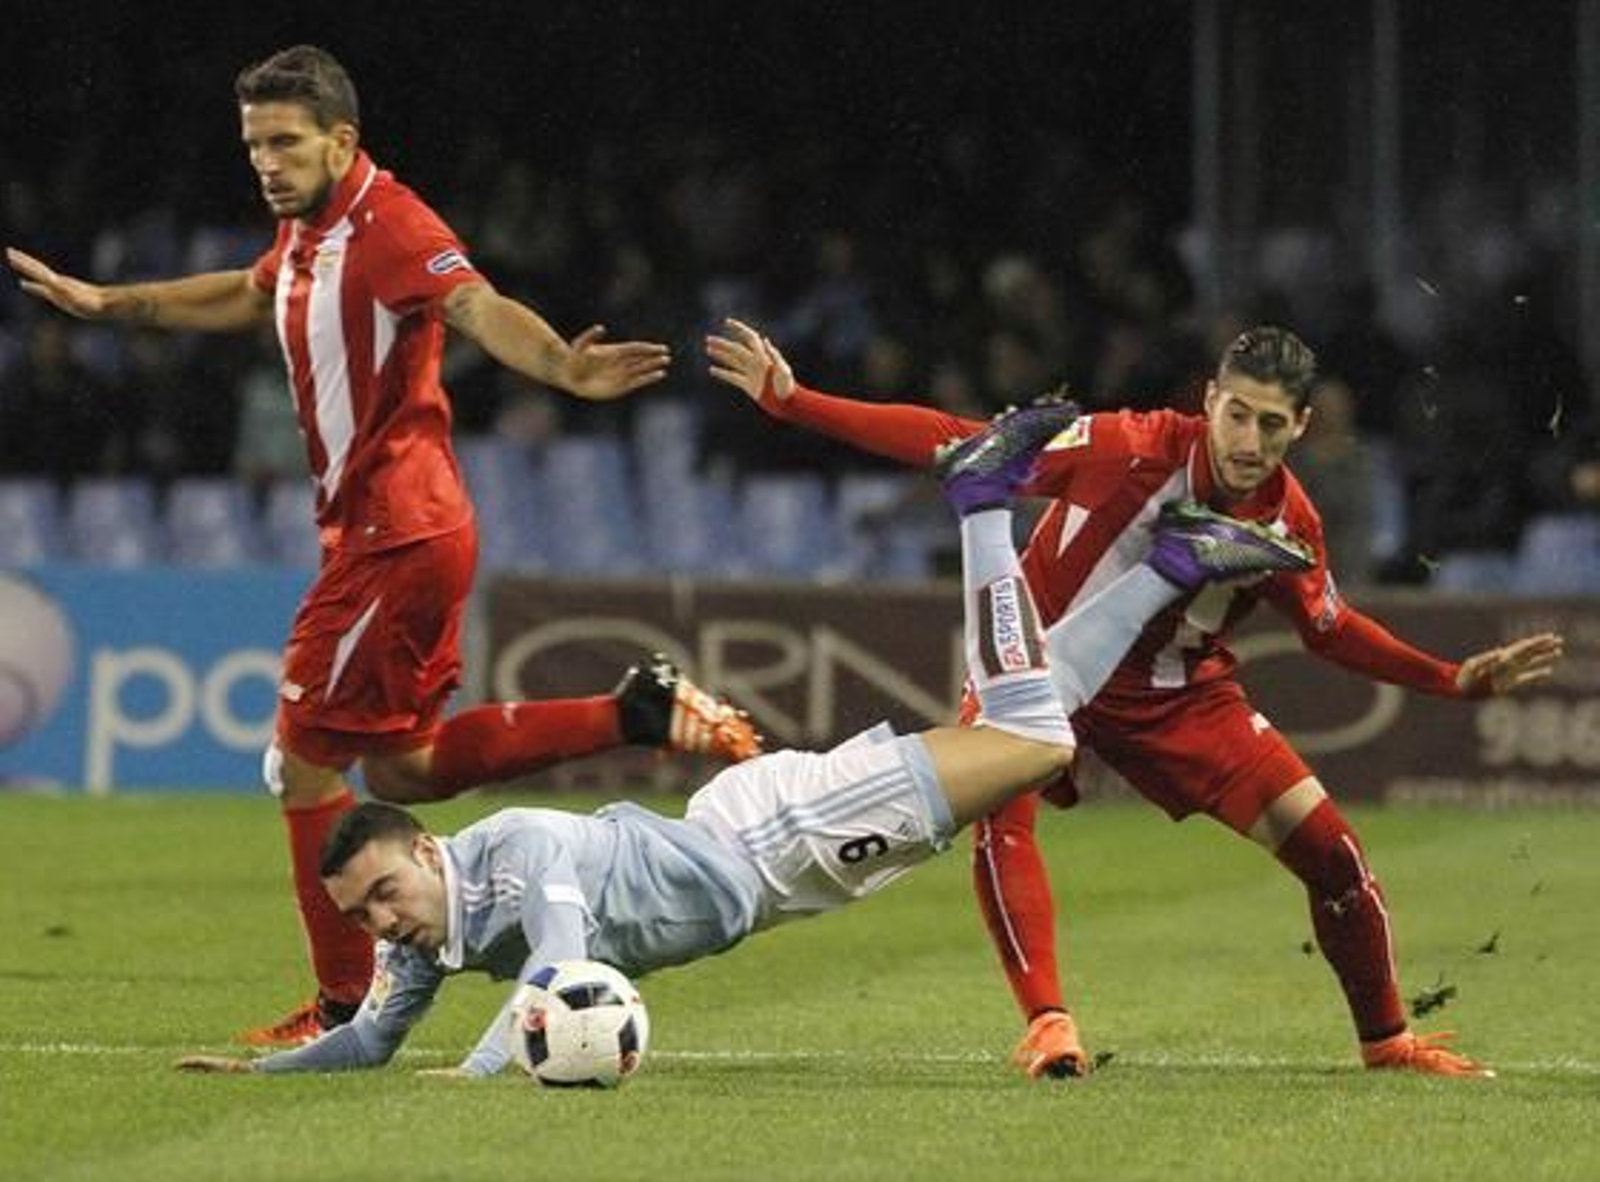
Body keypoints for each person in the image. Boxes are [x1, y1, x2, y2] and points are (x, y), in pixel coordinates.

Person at [174, 403, 1314, 1076]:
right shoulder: (429, 933)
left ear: (427, 849)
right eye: (364, 916)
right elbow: (371, 1040)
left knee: (1036, 741)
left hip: (782, 843)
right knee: (1031, 729)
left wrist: (476, 1076)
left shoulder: (519, 848)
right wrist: (256, 1074)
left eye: (383, 894)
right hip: (757, 843)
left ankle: (981, 506)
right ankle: (1172, 565)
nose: (383, 924)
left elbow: (558, 974)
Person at [5, 45, 761, 1047]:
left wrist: (559, 367)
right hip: (392, 530)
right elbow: (251, 289)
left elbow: (474, 302)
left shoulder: (391, 225)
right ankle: (636, 711)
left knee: (300, 769)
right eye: (253, 144)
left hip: (395, 534)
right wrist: (114, 304)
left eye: (285, 143)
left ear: (342, 140)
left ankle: (342, 1005)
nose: (266, 163)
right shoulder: (307, 230)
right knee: (404, 769)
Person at [707, 317, 1565, 1080]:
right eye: (1237, 414)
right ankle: (1048, 1024)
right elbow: (966, 443)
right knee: (1002, 815)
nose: (1249, 440)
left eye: (1272, 424)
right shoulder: (1127, 443)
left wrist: (1450, 677)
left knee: (1334, 853)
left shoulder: (1288, 521)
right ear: (1210, 401)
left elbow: (1329, 628)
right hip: (1039, 663)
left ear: (1302, 425)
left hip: (1178, 695)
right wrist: (795, 402)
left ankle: (1388, 1041)